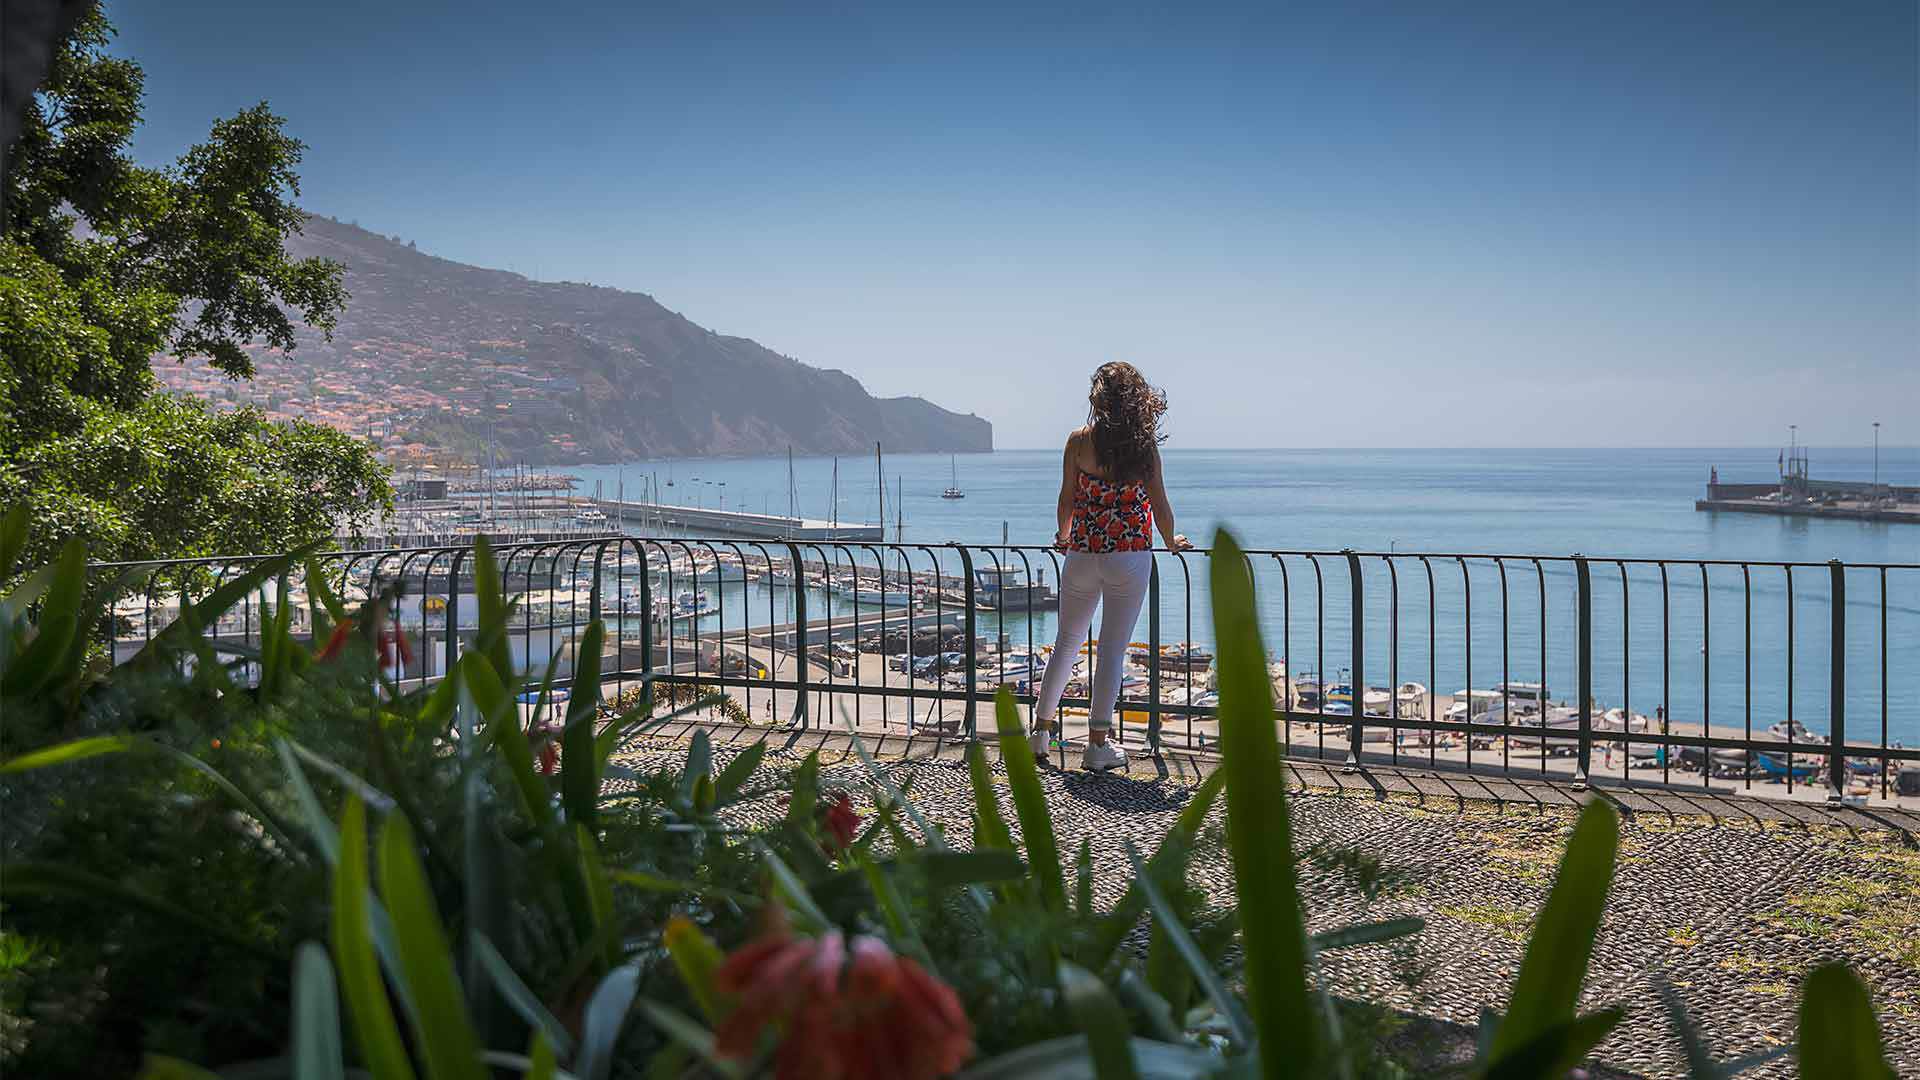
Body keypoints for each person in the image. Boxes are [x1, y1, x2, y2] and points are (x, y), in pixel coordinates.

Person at [1029, 362, 1190, 771]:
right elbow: (1160, 506)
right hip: (1130, 557)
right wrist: (1173, 541)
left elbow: (1066, 500)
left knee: (1066, 642)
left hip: (1082, 554)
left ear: (1096, 400)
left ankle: (1040, 735)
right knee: (1112, 651)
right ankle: (1098, 745)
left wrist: (1063, 536)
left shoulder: (1078, 442)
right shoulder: (1143, 448)